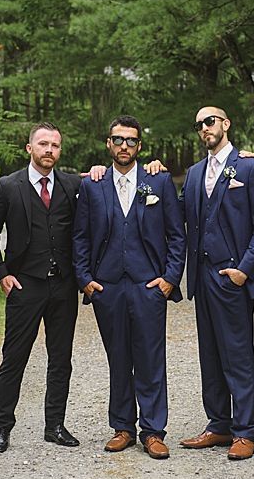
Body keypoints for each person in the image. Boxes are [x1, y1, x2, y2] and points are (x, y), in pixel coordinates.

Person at [72, 115, 186, 460]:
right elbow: (79, 236)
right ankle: (122, 427)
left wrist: (169, 279)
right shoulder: (92, 184)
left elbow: (177, 235)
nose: (124, 146)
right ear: (108, 143)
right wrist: (85, 279)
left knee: (151, 358)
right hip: (106, 287)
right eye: (118, 140)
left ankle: (153, 431)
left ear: (140, 145)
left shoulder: (159, 181)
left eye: (131, 141)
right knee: (118, 357)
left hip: (148, 285)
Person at [179, 107, 254, 460]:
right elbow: (177, 214)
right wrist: (152, 172)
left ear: (226, 124)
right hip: (202, 278)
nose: (204, 128)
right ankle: (219, 424)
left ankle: (245, 430)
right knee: (210, 354)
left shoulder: (249, 167)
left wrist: (244, 270)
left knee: (237, 355)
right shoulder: (193, 174)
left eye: (210, 121)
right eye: (199, 123)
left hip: (232, 276)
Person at [0, 122, 83, 453]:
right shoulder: (7, 186)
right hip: (24, 285)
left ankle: (55, 425)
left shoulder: (72, 185)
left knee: (61, 359)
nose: (49, 151)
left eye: (55, 146)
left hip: (64, 287)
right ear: (30, 148)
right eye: (43, 144)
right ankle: (1, 427)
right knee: (14, 357)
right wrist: (1, 274)